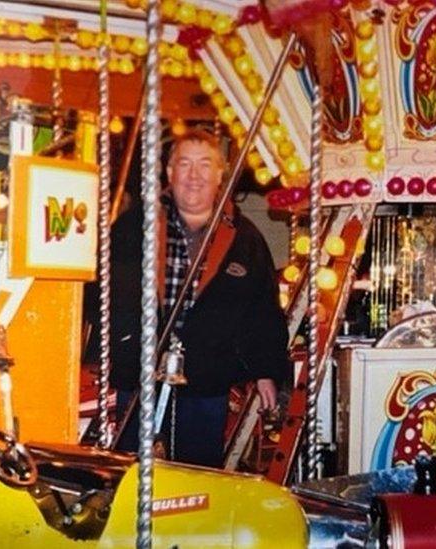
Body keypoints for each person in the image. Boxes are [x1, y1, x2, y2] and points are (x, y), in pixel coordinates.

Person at [86, 129, 289, 467]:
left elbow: (263, 309)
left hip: (208, 379)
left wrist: (266, 370)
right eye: (184, 164)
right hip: (140, 379)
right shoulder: (131, 228)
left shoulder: (245, 239)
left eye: (205, 165)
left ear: (220, 173)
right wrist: (120, 347)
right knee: (131, 471)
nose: (194, 176)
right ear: (169, 173)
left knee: (198, 475)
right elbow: (102, 294)